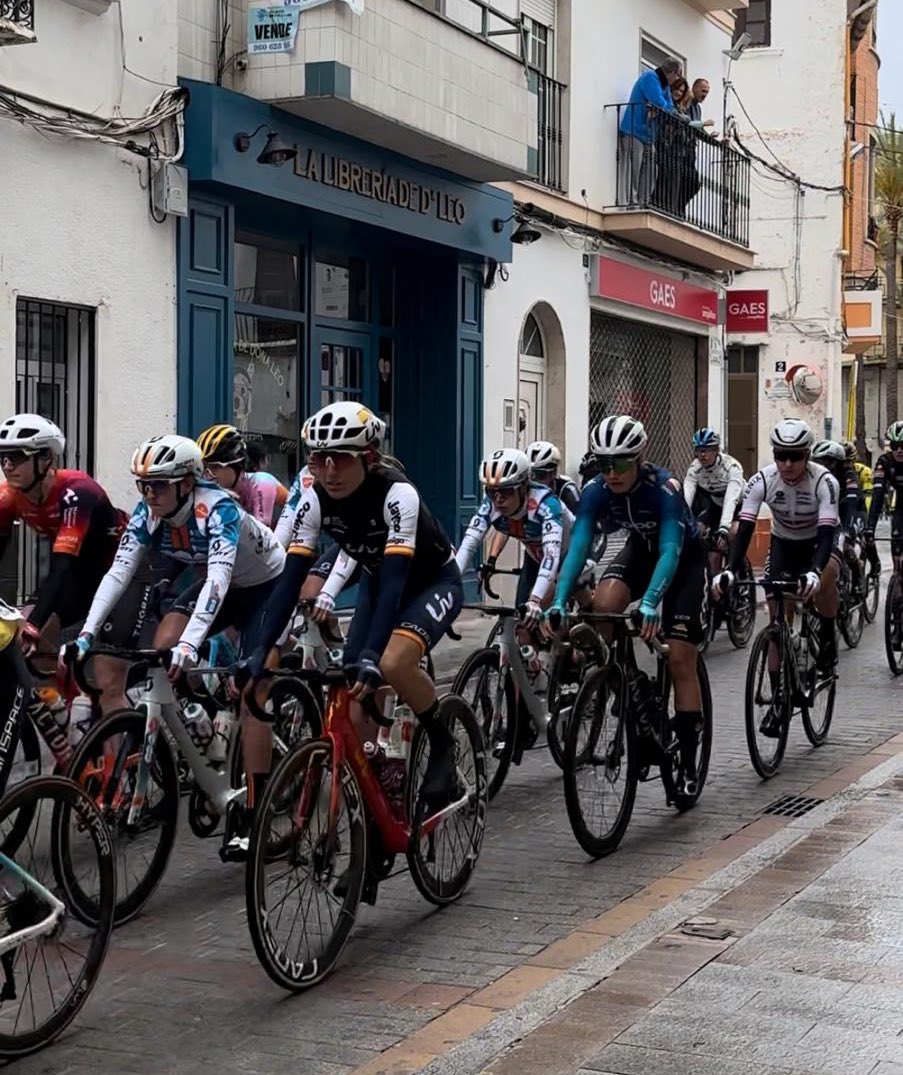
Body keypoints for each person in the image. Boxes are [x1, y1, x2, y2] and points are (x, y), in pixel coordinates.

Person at [72, 434, 286, 860]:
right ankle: (203, 725)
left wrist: (193, 643)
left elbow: (218, 580)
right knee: (162, 646)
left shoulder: (218, 508)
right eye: (144, 485)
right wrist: (86, 635)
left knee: (252, 691)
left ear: (187, 483)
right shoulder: (150, 513)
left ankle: (253, 809)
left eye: (160, 485)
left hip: (265, 585)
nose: (150, 493)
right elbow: (118, 573)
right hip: (222, 587)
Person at [246, 402, 464, 810]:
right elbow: (289, 582)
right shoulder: (314, 500)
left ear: (368, 458)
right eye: (318, 459)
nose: (329, 471)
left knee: (392, 663)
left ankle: (442, 743)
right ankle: (371, 810)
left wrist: (371, 654)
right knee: (353, 688)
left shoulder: (398, 494)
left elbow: (398, 583)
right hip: (378, 580)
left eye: (340, 459)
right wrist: (262, 647)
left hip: (432, 581)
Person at [548, 415, 707, 795]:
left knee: (680, 657)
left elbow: (671, 550)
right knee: (603, 606)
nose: (612, 473)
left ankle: (687, 759)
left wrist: (651, 601)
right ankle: (628, 681)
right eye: (604, 464)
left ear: (638, 459)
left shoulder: (664, 489)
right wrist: (558, 598)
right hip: (641, 552)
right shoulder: (595, 490)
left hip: (682, 558)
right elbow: (578, 548)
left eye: (620, 463)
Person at [0, 413, 148, 718]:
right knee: (25, 642)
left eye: (16, 456)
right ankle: (71, 709)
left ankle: (117, 760)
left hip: (124, 573)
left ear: (45, 459)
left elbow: (62, 567)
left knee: (108, 682)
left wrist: (33, 624)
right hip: (81, 575)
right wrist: (27, 623)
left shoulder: (77, 491)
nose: (7, 465)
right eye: (3, 457)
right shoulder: (9, 498)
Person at [715, 419, 840, 706]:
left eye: (794, 456)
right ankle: (779, 698)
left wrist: (815, 571)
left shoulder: (824, 482)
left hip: (818, 543)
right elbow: (745, 527)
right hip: (784, 543)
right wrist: (730, 571)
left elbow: (826, 534)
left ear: (807, 455)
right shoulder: (761, 480)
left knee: (826, 580)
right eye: (780, 455)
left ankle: (829, 631)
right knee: (776, 623)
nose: (787, 463)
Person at [455, 448, 572, 634]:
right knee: (521, 620)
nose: (498, 499)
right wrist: (450, 582)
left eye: (506, 491)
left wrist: (535, 600)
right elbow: (469, 543)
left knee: (532, 616)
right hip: (536, 558)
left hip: (568, 558)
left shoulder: (546, 504)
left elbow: (552, 554)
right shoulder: (492, 504)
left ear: (524, 486)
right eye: (491, 491)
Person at [196, 424, 288, 531]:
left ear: (237, 466)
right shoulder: (223, 492)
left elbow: (261, 536)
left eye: (215, 467)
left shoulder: (261, 483)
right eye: (205, 467)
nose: (208, 474)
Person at [618, 58, 682, 205]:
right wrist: (664, 109)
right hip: (634, 131)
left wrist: (666, 110)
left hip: (648, 135)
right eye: (678, 74)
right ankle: (631, 202)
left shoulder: (664, 86)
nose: (677, 79)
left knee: (651, 168)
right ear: (673, 72)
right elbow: (659, 102)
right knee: (634, 168)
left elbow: (669, 107)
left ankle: (643, 201)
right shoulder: (650, 77)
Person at [683, 428, 745, 579]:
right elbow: (686, 498)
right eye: (699, 450)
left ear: (717, 450)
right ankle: (711, 579)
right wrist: (682, 521)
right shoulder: (695, 469)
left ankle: (738, 571)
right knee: (699, 530)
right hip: (716, 505)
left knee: (733, 533)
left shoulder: (731, 467)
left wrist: (724, 527)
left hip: (738, 504)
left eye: (707, 450)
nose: (702, 454)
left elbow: (731, 499)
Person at [866, 422, 903, 567]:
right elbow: (877, 496)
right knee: (897, 538)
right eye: (895, 446)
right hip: (901, 502)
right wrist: (870, 528)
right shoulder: (885, 462)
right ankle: (896, 574)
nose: (899, 450)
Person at [811, 440, 859, 538]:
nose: (819, 467)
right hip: (828, 513)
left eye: (823, 463)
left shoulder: (848, 475)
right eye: (816, 462)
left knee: (850, 540)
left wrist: (847, 530)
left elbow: (850, 503)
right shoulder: (815, 476)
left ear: (834, 463)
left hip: (850, 510)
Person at [525, 441, 580, 515]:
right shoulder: (522, 489)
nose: (533, 481)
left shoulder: (567, 489)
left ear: (553, 473)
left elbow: (578, 522)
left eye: (540, 475)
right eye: (529, 475)